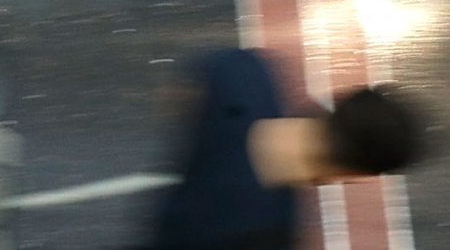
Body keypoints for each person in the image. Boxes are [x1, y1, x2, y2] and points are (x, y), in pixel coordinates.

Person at [150, 49, 426, 250]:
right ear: (355, 172)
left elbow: (180, 94)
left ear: (336, 100)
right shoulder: (268, 234)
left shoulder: (246, 71)